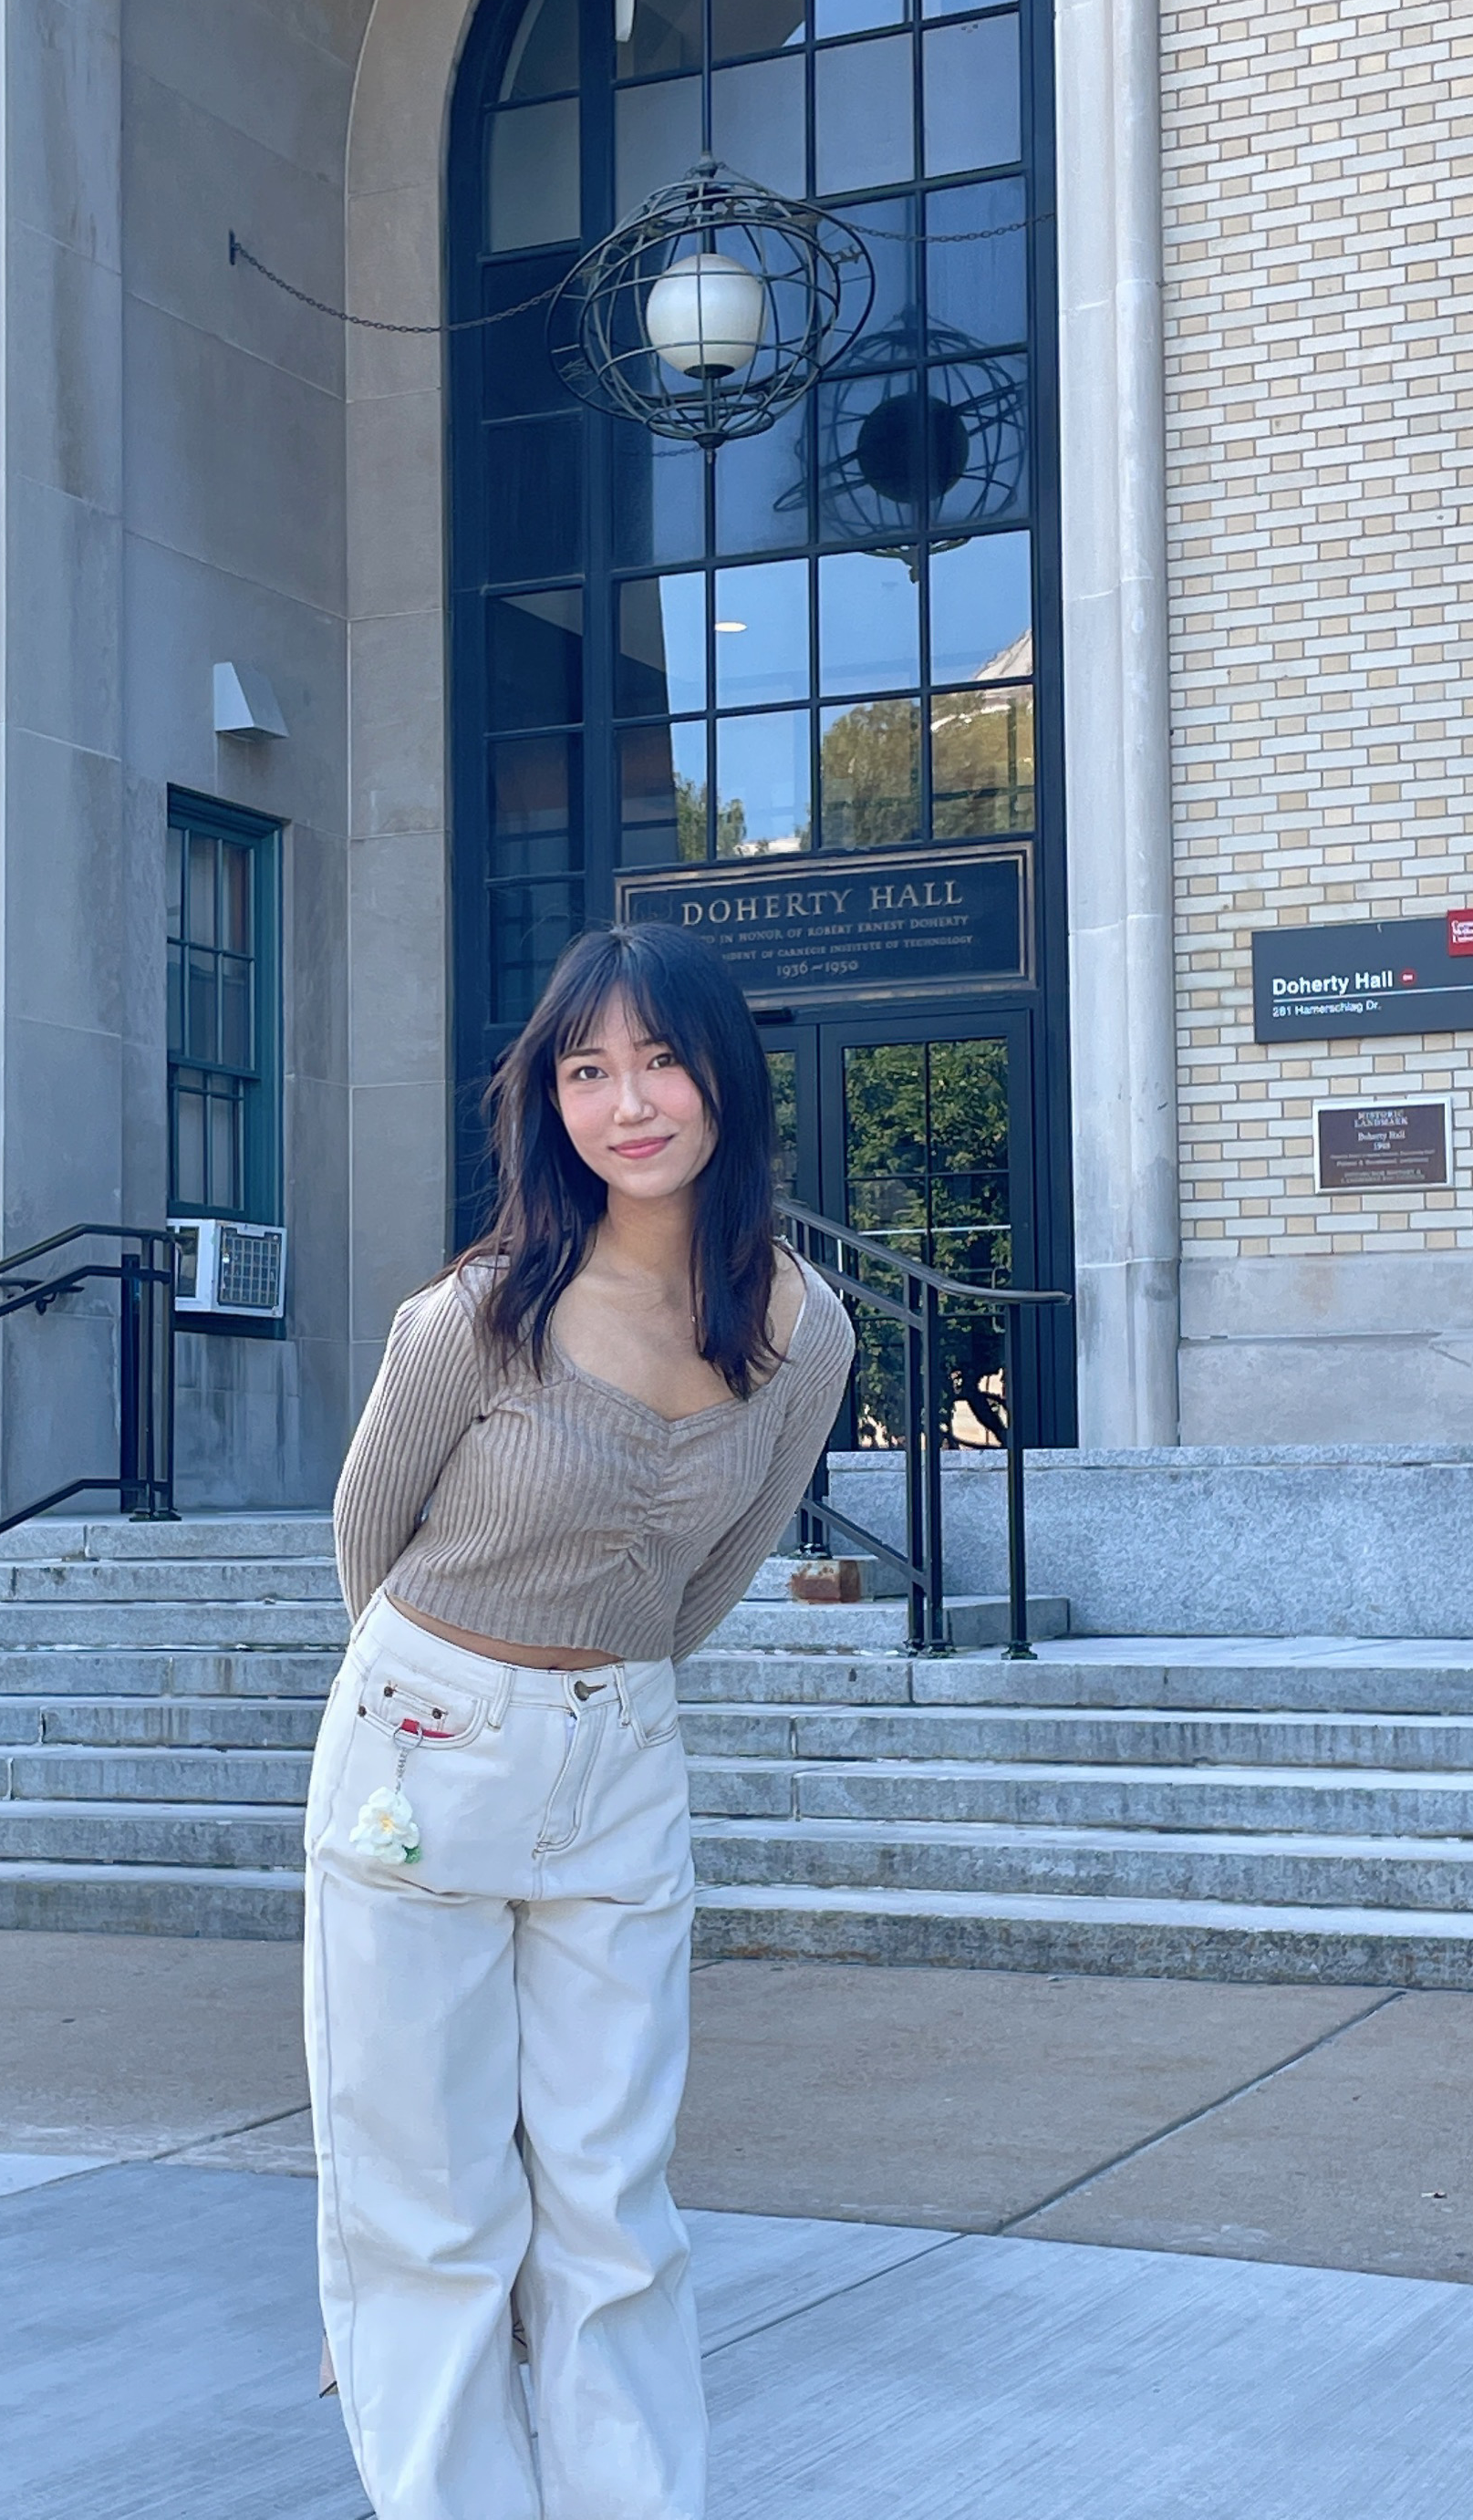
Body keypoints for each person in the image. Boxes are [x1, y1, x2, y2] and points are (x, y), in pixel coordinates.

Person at [306, 921, 856, 2520]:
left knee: (615, 2205)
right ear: (549, 1099)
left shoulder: (800, 1330)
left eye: (662, 1060)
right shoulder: (476, 1315)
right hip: (423, 1741)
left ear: (724, 1082)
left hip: (624, 1755)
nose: (628, 1101)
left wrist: (587, 1695)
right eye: (586, 1068)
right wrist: (468, 1704)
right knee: (432, 2207)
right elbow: (367, 1538)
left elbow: (724, 1567)